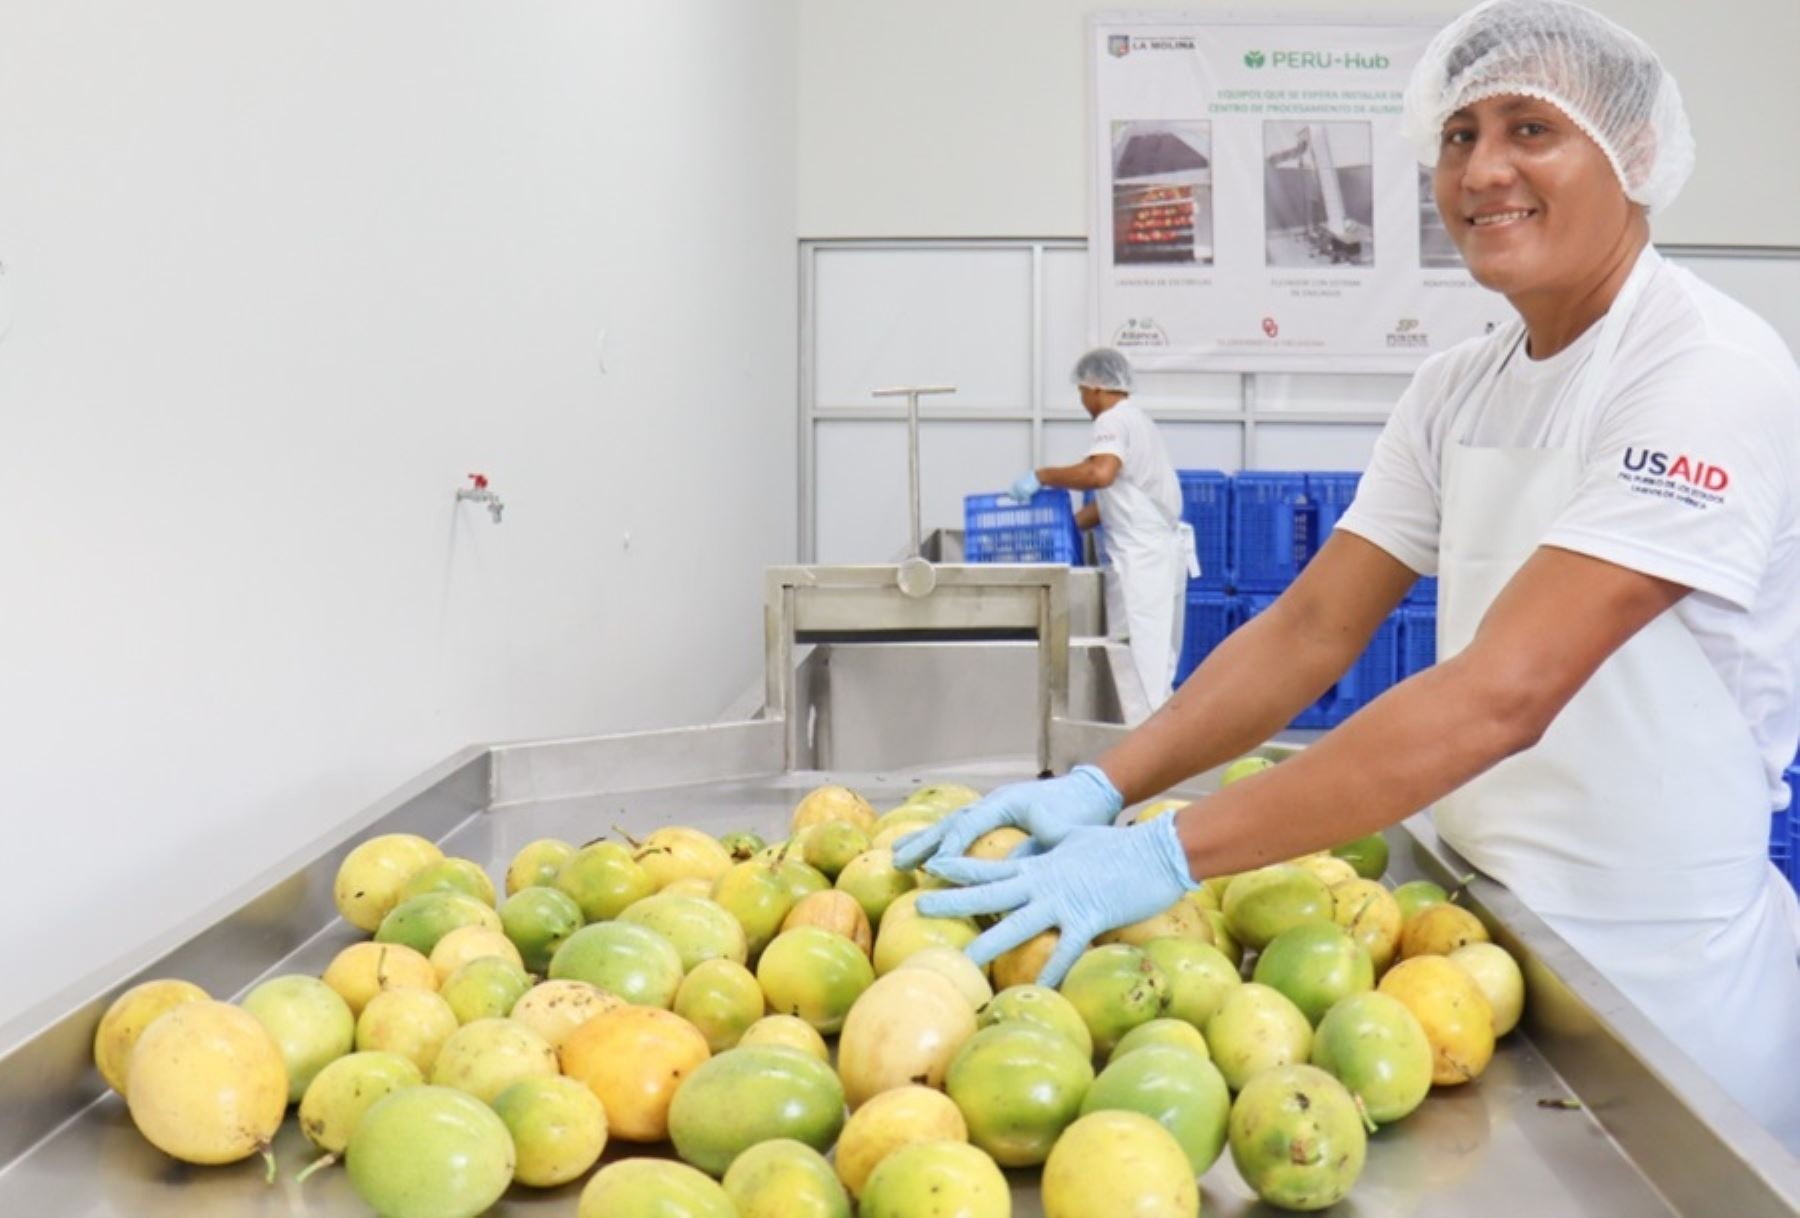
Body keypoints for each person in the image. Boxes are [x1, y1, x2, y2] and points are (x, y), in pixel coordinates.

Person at [899, 0, 1800, 1151]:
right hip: (1472, 948)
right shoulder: (1457, 387)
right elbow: (1314, 628)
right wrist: (1102, 787)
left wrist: (1169, 854)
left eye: (1533, 128)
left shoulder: (1706, 373)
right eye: (1460, 134)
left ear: (1630, 155)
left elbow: (1504, 693)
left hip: (1661, 988)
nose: (1484, 169)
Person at [1008, 347, 1197, 707]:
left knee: (1138, 661)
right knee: (1155, 660)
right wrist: (1068, 527)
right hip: (1157, 553)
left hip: (1139, 560)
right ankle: (1150, 741)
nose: (1081, 399)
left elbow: (1100, 474)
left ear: (1095, 386)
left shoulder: (1111, 421)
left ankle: (1140, 749)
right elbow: (1118, 497)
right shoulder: (1139, 422)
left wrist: (1042, 476)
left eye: (1081, 391)